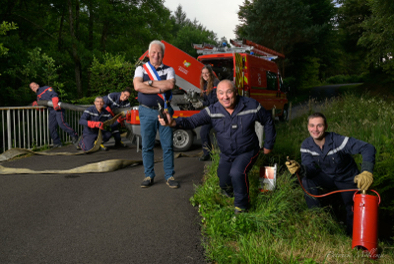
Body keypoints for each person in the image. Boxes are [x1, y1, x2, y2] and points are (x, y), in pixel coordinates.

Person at [158, 80, 276, 213]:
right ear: (217, 95)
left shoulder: (251, 105)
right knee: (224, 180)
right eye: (221, 93)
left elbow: (268, 120)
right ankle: (230, 190)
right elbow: (191, 121)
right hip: (226, 154)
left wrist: (268, 144)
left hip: (247, 150)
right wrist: (173, 122)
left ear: (236, 92)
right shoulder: (212, 110)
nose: (225, 97)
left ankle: (241, 206)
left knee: (237, 172)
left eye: (229, 92)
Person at [285, 112, 376, 235]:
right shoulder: (306, 145)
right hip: (327, 177)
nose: (315, 129)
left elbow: (368, 148)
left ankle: (353, 239)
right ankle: (317, 223)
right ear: (307, 127)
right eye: (312, 125)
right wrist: (299, 168)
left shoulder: (338, 141)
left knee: (352, 209)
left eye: (319, 126)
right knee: (307, 180)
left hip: (347, 179)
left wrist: (366, 171)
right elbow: (310, 169)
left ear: (326, 127)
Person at [133, 40, 179, 189]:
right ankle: (149, 175)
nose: (156, 55)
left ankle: (169, 176)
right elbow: (137, 86)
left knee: (168, 146)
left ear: (163, 54)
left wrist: (149, 83)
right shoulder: (141, 69)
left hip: (165, 110)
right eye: (153, 52)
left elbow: (170, 85)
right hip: (146, 111)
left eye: (159, 52)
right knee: (147, 146)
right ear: (148, 54)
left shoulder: (169, 69)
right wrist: (160, 89)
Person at [29, 82, 79, 148]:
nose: (33, 87)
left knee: (62, 124)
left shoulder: (45, 88)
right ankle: (57, 143)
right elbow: (43, 108)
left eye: (34, 85)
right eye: (31, 87)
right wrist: (37, 107)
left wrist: (55, 104)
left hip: (57, 108)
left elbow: (54, 95)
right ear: (32, 90)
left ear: (38, 85)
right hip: (51, 111)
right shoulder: (38, 97)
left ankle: (75, 136)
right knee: (51, 127)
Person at [196, 65, 220, 161]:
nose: (204, 75)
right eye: (203, 73)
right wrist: (198, 100)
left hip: (218, 113)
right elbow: (207, 99)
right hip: (211, 112)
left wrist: (202, 103)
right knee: (203, 132)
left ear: (211, 73)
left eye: (206, 73)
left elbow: (215, 100)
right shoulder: (205, 85)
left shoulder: (216, 83)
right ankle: (207, 154)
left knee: (222, 134)